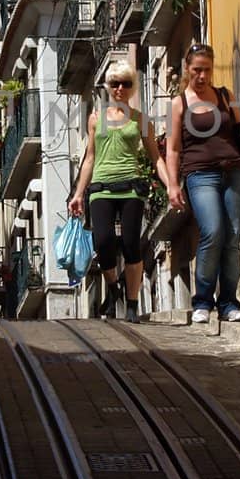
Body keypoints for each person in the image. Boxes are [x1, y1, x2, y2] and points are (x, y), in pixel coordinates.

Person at [164, 43, 240, 324]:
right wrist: (173, 185)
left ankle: (229, 303)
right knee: (212, 231)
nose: (202, 76)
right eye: (197, 70)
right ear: (188, 69)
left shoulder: (224, 96)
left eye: (207, 70)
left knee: (233, 237)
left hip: (233, 170)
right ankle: (202, 301)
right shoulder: (179, 104)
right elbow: (173, 149)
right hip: (200, 174)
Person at [69, 62, 168, 322]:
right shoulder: (95, 119)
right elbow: (89, 158)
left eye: (125, 83)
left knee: (132, 244)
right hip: (101, 188)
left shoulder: (140, 120)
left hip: (131, 187)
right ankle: (113, 289)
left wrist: (171, 185)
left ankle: (132, 303)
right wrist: (79, 194)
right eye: (115, 84)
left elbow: (156, 158)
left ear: (132, 87)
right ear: (108, 87)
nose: (120, 88)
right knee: (103, 243)